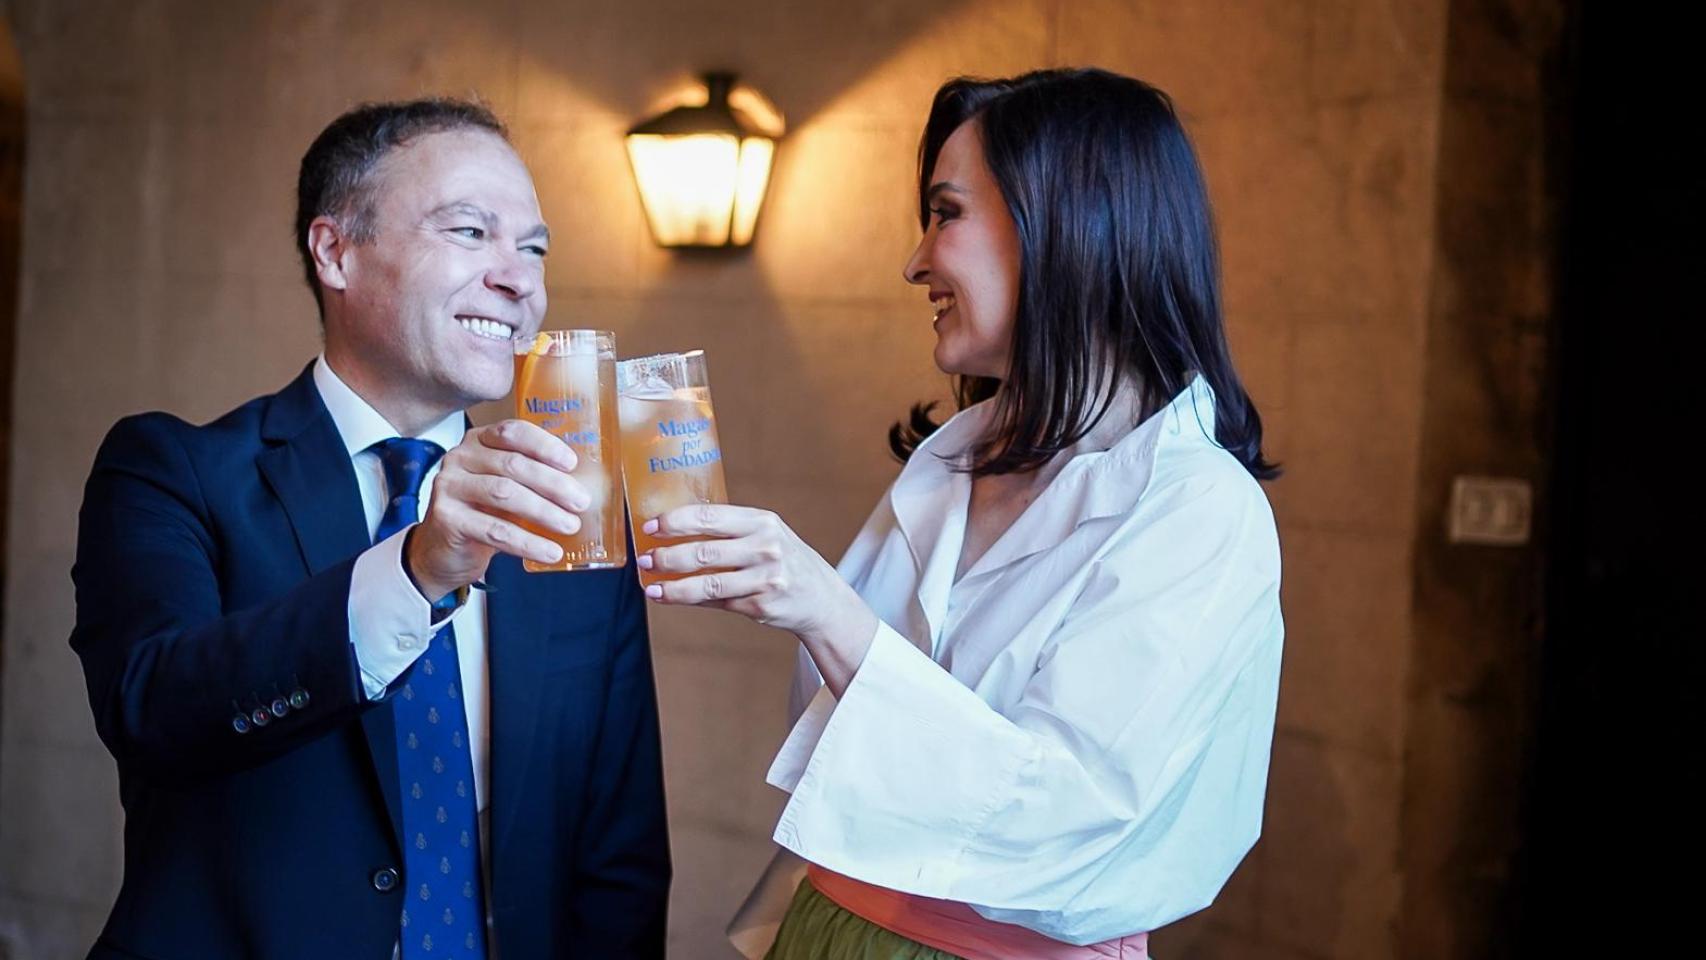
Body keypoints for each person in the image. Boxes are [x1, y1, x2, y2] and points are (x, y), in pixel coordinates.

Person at [647, 68, 1284, 958]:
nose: (915, 263)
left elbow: (1069, 820)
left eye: (945, 215)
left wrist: (826, 611)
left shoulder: (1198, 509)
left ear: (1065, 226)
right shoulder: (948, 462)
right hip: (823, 921)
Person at [69, 98, 669, 960]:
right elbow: (152, 713)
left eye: (535, 248)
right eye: (470, 232)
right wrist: (416, 572)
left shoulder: (567, 515)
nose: (519, 279)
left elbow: (619, 858)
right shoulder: (173, 471)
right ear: (336, 251)